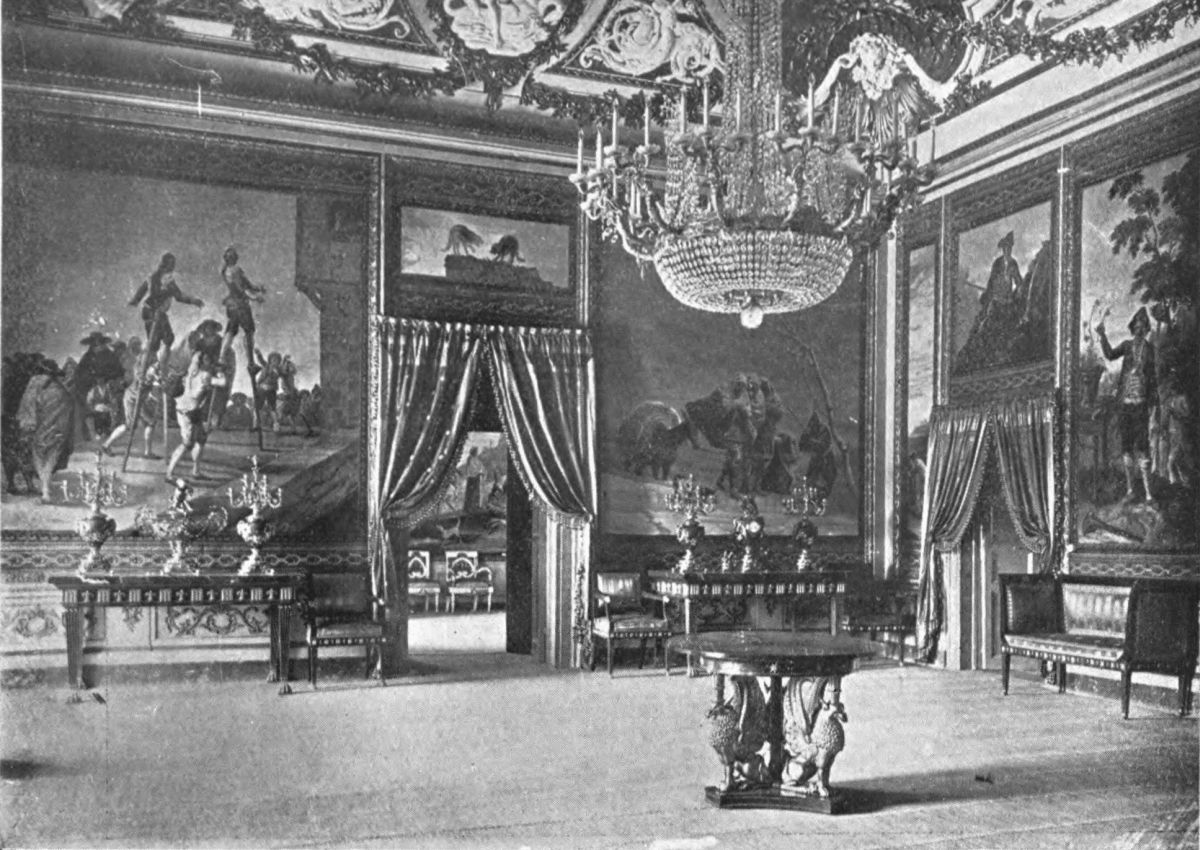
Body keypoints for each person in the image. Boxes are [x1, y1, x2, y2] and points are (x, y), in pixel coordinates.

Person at [1097, 306, 1157, 503]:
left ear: (1146, 329)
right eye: (1137, 327)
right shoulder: (1126, 345)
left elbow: (1153, 379)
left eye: (1143, 327)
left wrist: (1154, 406)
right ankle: (1131, 491)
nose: (1139, 330)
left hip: (1141, 405)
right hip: (1125, 404)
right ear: (1133, 328)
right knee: (1126, 447)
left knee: (1143, 447)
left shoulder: (1149, 349)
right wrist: (1102, 336)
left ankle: (1148, 494)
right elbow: (1110, 355)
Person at [129, 253, 204, 373]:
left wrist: (135, 301)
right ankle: (159, 369)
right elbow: (178, 296)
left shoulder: (152, 276)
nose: (173, 267)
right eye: (171, 264)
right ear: (167, 264)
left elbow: (141, 292)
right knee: (165, 339)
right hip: (156, 312)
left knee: (155, 343)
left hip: (148, 311)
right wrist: (193, 301)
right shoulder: (167, 279)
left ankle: (151, 369)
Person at [166, 323, 221, 482]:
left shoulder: (191, 370)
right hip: (186, 412)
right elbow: (222, 382)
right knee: (187, 444)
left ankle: (196, 471)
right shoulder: (202, 374)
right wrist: (220, 372)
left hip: (192, 410)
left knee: (201, 439)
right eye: (207, 360)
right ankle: (169, 474)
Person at [16, 357, 76, 503]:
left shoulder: (35, 385)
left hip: (41, 430)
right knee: (51, 457)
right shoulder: (61, 390)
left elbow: (28, 410)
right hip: (58, 430)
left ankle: (45, 490)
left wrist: (29, 425)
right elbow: (69, 408)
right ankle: (46, 489)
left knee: (40, 457)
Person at [101, 351, 162, 461]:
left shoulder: (151, 370)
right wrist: (157, 380)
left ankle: (148, 452)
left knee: (150, 422)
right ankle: (106, 445)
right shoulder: (143, 371)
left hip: (140, 400)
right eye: (154, 362)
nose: (157, 364)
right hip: (132, 399)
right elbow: (151, 380)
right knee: (129, 426)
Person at [217, 247, 266, 378]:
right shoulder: (235, 270)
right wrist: (255, 297)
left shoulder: (226, 271)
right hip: (241, 305)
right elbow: (240, 289)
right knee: (248, 332)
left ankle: (221, 358)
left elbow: (247, 285)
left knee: (231, 330)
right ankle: (251, 362)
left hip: (232, 305)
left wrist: (258, 288)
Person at [75, 332, 125, 442]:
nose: (97, 345)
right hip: (91, 388)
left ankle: (112, 432)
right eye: (94, 344)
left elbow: (119, 372)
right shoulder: (87, 357)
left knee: (113, 406)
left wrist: (111, 380)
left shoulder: (110, 356)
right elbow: (80, 374)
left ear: (102, 343)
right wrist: (91, 381)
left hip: (109, 388)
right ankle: (90, 434)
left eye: (99, 343)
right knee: (88, 406)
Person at [461, 446, 486, 513]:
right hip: (472, 478)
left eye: (477, 451)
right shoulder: (470, 459)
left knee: (477, 492)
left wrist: (481, 472)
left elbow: (481, 467)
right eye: (476, 451)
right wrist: (479, 472)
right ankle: (469, 508)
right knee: (471, 493)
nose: (477, 453)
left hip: (476, 477)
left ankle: (476, 506)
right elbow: (472, 468)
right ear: (473, 452)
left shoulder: (476, 459)